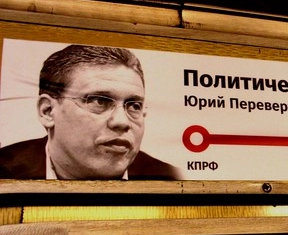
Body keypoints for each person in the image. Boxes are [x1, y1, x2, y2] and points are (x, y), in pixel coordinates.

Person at [0, 44, 183, 180]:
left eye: (134, 105)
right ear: (47, 111)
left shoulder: (169, 179)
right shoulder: (5, 171)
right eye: (99, 101)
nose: (122, 122)